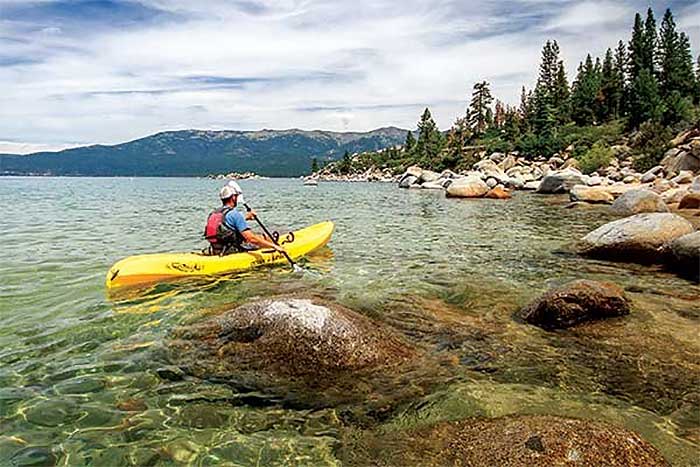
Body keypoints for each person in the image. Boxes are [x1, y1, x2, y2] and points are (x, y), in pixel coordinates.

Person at [204, 182, 286, 256]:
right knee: (263, 237)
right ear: (233, 198)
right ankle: (278, 246)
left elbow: (226, 224)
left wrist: (246, 217)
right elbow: (251, 239)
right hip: (231, 251)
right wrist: (274, 246)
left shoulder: (214, 213)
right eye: (236, 196)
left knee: (258, 236)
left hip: (215, 249)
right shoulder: (235, 214)